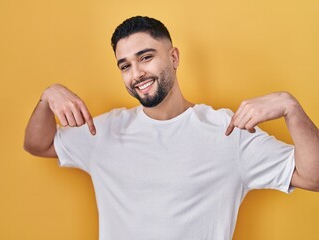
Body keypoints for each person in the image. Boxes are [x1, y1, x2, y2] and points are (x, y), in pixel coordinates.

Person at [24, 16, 319, 240]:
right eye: (125, 66)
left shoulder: (228, 132)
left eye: (146, 57)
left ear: (174, 57)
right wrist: (47, 96)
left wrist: (290, 107)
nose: (137, 73)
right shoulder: (103, 133)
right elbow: (38, 144)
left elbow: (313, 176)